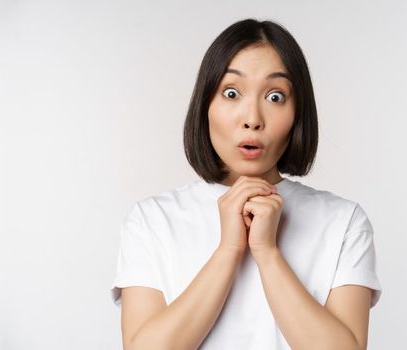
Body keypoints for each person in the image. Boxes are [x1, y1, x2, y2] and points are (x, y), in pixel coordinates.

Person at [109, 18, 382, 350]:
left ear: (298, 113)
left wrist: (267, 253)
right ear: (205, 105)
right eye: (232, 93)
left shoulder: (344, 222)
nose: (252, 118)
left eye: (276, 96)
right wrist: (229, 250)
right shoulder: (151, 220)